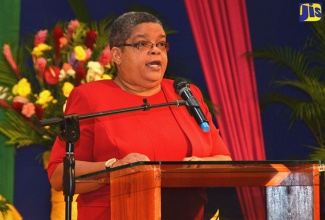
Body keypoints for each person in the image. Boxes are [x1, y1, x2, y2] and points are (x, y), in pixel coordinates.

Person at [47, 11, 231, 220]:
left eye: (161, 44)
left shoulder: (186, 94)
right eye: (142, 44)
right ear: (117, 55)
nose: (155, 51)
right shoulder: (91, 97)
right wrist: (113, 168)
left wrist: (203, 166)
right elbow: (59, 175)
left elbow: (224, 159)